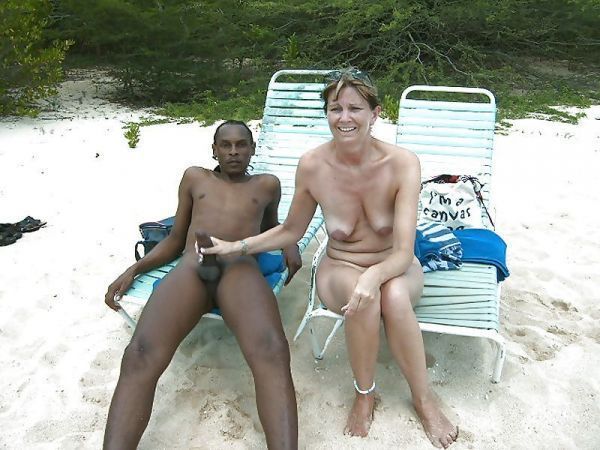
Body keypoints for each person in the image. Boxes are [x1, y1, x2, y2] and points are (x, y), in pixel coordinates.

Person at [202, 71, 459, 448]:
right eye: (335, 108)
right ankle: (364, 394)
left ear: (376, 113)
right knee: (362, 298)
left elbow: (405, 251)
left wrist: (375, 276)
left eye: (355, 108)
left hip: (395, 265)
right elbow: (291, 230)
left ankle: (424, 400)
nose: (344, 117)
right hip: (341, 266)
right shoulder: (313, 165)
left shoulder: (402, 163)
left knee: (392, 295)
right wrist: (237, 246)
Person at [103, 120, 302, 450]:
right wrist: (134, 269)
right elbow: (175, 238)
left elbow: (271, 227)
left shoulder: (267, 185)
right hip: (193, 265)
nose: (234, 151)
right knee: (139, 353)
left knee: (272, 351)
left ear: (253, 149)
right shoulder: (196, 178)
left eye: (241, 145)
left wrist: (289, 243)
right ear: (214, 150)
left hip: (239, 266)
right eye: (226, 145)